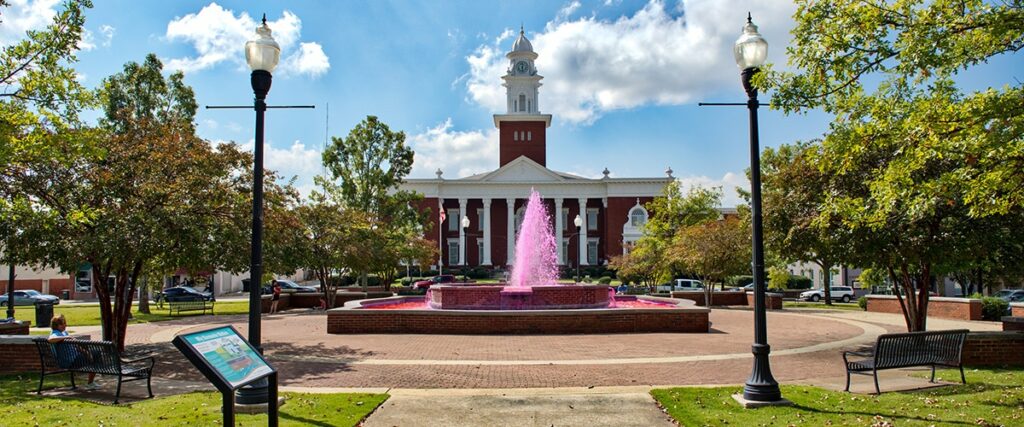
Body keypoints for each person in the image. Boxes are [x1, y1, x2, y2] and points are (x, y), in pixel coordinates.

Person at [48, 315, 100, 390]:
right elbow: (51, 339)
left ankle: (91, 381)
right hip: (69, 362)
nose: (64, 325)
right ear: (56, 326)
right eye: (62, 324)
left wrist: (86, 352)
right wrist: (67, 337)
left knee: (95, 354)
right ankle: (90, 382)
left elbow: (75, 346)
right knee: (96, 355)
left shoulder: (64, 333)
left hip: (75, 358)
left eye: (65, 323)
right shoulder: (55, 333)